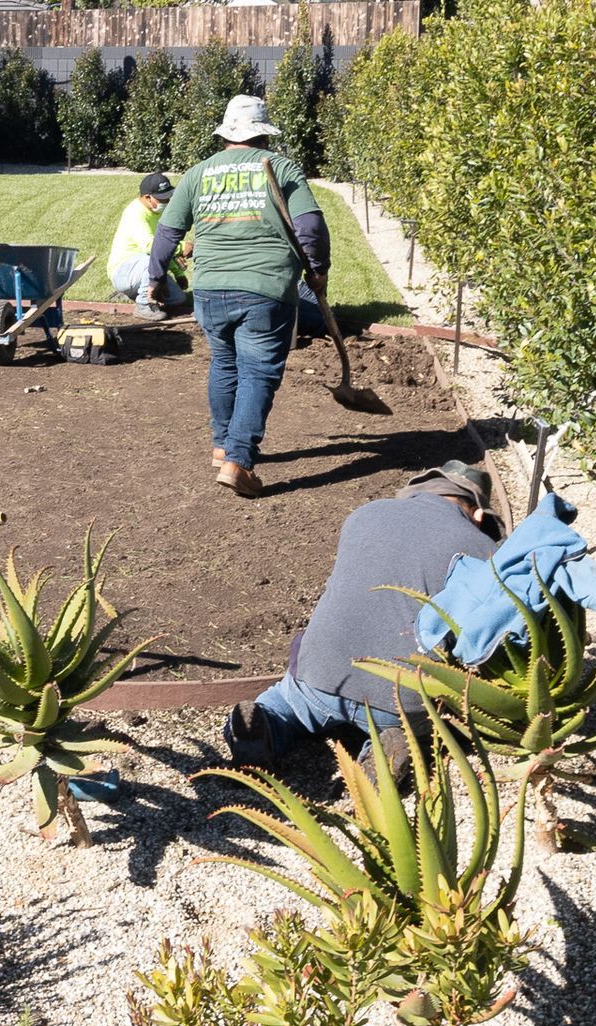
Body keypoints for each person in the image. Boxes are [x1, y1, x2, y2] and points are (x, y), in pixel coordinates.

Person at [226, 461, 501, 769]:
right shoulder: (482, 548)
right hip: (399, 699)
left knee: (285, 702)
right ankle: (389, 749)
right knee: (421, 730)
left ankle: (265, 723)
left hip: (320, 675)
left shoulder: (365, 514)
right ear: (479, 515)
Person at [147, 94, 331, 499]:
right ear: (263, 134)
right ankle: (239, 461)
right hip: (265, 288)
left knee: (225, 363)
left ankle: (222, 446)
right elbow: (310, 227)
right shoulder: (281, 167)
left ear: (227, 133)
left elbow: (168, 232)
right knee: (258, 372)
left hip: (210, 290)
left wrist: (156, 278)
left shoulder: (199, 173)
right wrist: (318, 270)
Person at [108, 172, 189, 321]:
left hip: (143, 268)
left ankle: (134, 293)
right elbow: (152, 247)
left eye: (168, 197)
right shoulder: (135, 213)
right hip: (123, 271)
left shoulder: (158, 213)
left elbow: (162, 248)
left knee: (178, 298)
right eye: (162, 199)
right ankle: (143, 306)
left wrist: (178, 273)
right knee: (151, 261)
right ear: (147, 197)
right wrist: (182, 247)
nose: (167, 201)